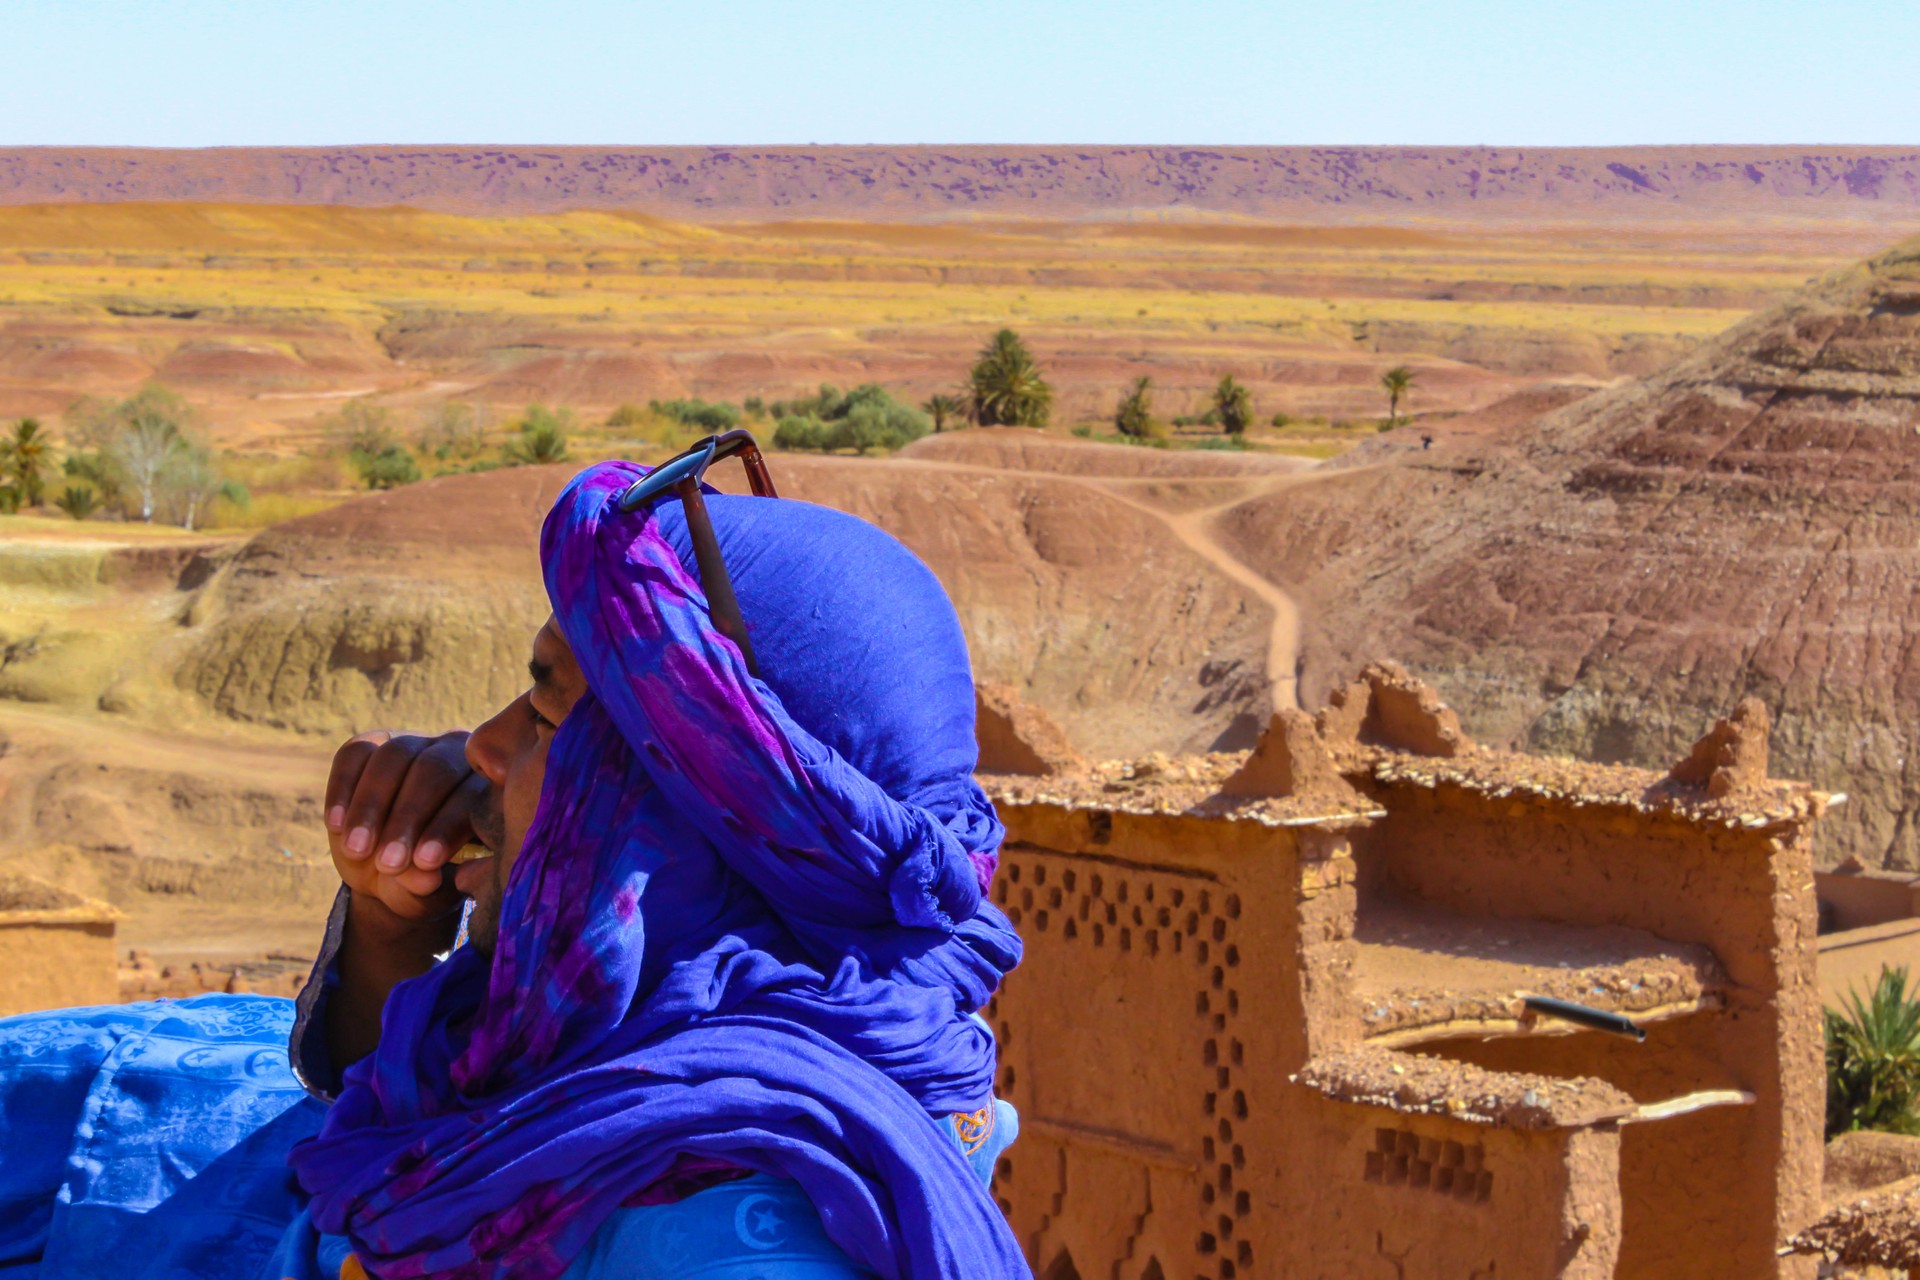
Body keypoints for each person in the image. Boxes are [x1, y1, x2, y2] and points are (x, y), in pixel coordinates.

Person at [0, 459, 1027, 1279]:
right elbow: (414, 1103)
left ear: (674, 803)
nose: (481, 745)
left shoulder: (738, 1235)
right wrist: (392, 923)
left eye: (543, 712)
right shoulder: (654, 1042)